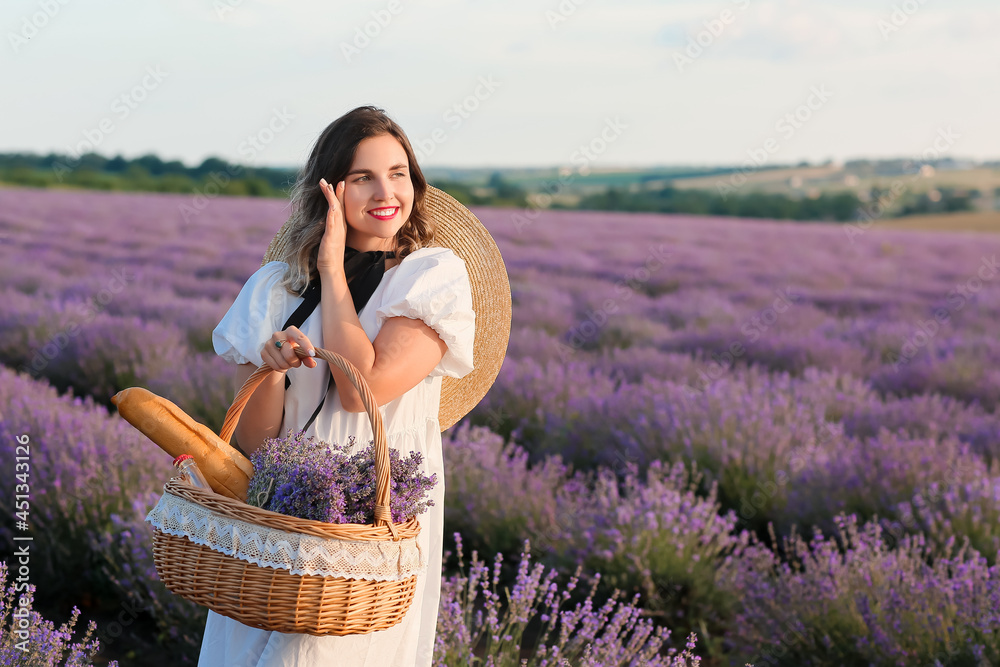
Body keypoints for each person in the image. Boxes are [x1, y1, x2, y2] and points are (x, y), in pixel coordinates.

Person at [200, 105, 510, 666]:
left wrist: (333, 272)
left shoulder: (430, 276)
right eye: (362, 177)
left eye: (398, 173)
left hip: (368, 524)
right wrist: (270, 368)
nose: (385, 190)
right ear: (329, 191)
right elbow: (260, 442)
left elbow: (358, 389)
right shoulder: (277, 284)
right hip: (281, 514)